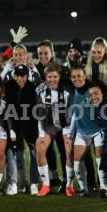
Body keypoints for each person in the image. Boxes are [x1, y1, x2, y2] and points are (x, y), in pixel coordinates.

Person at [65, 66, 105, 197]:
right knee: (77, 162)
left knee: (100, 159)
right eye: (74, 77)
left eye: (79, 76)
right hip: (82, 131)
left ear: (85, 76)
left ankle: (103, 187)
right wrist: (71, 134)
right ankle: (84, 189)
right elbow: (76, 114)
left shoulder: (92, 89)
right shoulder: (73, 93)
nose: (77, 79)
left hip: (99, 129)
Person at [35, 64, 72, 196]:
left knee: (69, 150)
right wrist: (41, 133)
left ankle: (69, 185)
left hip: (66, 125)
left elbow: (72, 113)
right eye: (49, 77)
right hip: (49, 125)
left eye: (55, 77)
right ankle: (46, 185)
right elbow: (39, 113)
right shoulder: (40, 90)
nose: (52, 79)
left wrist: (69, 132)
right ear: (45, 77)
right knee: (39, 148)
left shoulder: (67, 90)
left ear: (60, 76)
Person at [4, 64, 40, 195]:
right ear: (14, 75)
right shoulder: (8, 86)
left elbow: (35, 110)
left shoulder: (32, 87)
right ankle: (17, 183)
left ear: (27, 75)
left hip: (30, 124)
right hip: (14, 124)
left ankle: (34, 183)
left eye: (23, 75)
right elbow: (7, 108)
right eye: (17, 75)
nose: (20, 78)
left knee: (34, 153)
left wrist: (35, 130)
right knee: (14, 153)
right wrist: (11, 129)